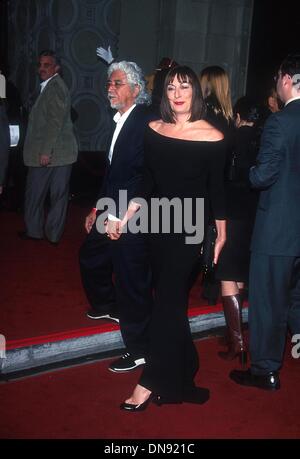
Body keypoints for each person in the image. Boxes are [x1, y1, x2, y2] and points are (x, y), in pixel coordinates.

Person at [108, 65, 226, 411]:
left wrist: (221, 235)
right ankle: (185, 364)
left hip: (189, 230)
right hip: (157, 226)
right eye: (171, 88)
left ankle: (149, 381)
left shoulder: (212, 135)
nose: (177, 94)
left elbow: (217, 190)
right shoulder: (153, 130)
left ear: (196, 93)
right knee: (170, 304)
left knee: (166, 304)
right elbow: (146, 183)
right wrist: (124, 216)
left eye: (184, 87)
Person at [79, 61, 156, 373]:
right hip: (111, 205)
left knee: (132, 280)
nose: (110, 88)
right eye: (109, 83)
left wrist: (122, 216)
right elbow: (112, 172)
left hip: (134, 211)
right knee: (91, 254)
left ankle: (140, 349)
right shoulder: (121, 119)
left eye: (117, 83)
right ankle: (107, 305)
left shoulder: (143, 122)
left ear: (136, 90)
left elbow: (143, 175)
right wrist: (97, 208)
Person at [230, 53, 300, 391]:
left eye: (277, 78)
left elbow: (263, 176)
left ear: (286, 78)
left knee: (268, 304)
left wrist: (249, 170)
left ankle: (265, 370)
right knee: (297, 301)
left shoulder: (279, 122)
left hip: (277, 232)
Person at [215, 96, 261, 365]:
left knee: (227, 275)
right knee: (240, 274)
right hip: (255, 216)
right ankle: (234, 334)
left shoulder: (231, 139)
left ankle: (238, 344)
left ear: (239, 115)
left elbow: (221, 180)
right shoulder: (264, 138)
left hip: (233, 215)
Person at [19, 50, 78, 244]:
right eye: (40, 65)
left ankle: (39, 233)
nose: (42, 68)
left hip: (50, 153)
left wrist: (45, 151)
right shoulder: (49, 86)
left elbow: (55, 122)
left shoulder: (55, 87)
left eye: (47, 65)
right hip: (59, 153)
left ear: (56, 68)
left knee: (40, 195)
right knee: (53, 196)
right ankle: (47, 234)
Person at [199, 65, 235, 306]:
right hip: (222, 182)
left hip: (203, 181)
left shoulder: (204, 112)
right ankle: (211, 280)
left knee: (205, 232)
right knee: (213, 231)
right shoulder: (228, 116)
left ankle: (209, 281)